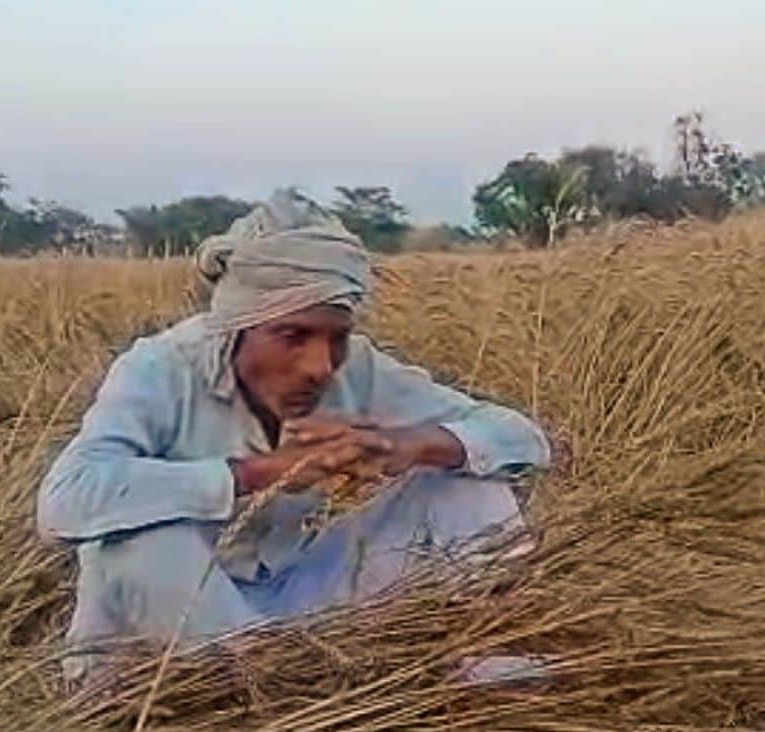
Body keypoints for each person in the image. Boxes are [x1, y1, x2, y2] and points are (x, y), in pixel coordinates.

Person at [38, 193, 549, 679]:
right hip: (168, 639)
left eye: (337, 338)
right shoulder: (161, 367)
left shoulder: (359, 369)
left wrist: (403, 445)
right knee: (131, 538)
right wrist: (264, 472)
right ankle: (274, 696)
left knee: (462, 478)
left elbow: (520, 439)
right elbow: (66, 499)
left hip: (290, 609)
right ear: (239, 326)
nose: (320, 366)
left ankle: (481, 657)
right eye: (293, 336)